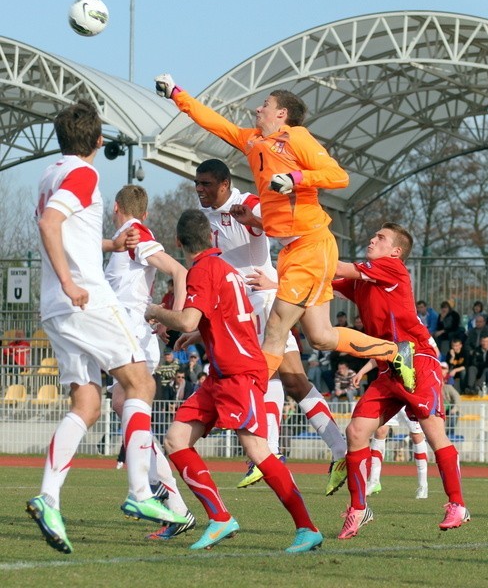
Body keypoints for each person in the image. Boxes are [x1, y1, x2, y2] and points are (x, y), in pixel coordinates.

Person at [154, 73, 416, 396]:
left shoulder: (296, 137)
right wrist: (177, 94)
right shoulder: (253, 141)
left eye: (265, 104)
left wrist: (295, 178)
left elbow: (339, 176)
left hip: (312, 246)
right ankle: (394, 351)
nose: (257, 109)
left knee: (276, 326)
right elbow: (215, 123)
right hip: (294, 249)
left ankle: (246, 393)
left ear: (281, 114)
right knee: (321, 336)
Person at [26, 100, 187, 555]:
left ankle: (49, 498)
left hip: (54, 309)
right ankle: (140, 491)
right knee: (139, 381)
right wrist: (70, 280)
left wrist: (112, 243)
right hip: (85, 298)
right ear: (99, 140)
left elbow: (63, 226)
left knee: (88, 401)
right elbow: (50, 223)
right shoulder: (86, 173)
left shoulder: (49, 173)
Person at [145, 208, 322, 553]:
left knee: (257, 450)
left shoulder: (202, 271)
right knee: (176, 440)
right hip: (221, 374)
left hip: (239, 374)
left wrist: (153, 310)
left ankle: (307, 527)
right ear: (211, 238)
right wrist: (199, 337)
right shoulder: (224, 269)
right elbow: (226, 316)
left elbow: (185, 319)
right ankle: (220, 518)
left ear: (178, 241)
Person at [192, 158, 347, 495]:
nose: (200, 190)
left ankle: (276, 451)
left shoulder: (246, 203)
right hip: (241, 306)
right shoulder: (205, 213)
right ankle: (335, 449)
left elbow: (292, 233)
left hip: (262, 302)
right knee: (288, 379)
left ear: (224, 184)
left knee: (274, 376)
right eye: (197, 184)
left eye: (206, 184)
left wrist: (274, 277)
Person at [332, 222, 470, 540]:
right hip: (388, 365)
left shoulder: (391, 267)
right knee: (356, 432)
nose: (372, 239)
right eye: (374, 235)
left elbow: (336, 266)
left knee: (433, 432)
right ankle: (358, 508)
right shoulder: (366, 280)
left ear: (395, 251)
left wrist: (311, 244)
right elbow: (328, 280)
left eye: (380, 238)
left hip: (416, 358)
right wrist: (275, 279)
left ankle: (458, 505)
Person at [103, 183, 194, 541]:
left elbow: (178, 270)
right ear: (144, 211)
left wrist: (173, 315)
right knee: (121, 403)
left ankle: (159, 494)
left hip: (135, 334)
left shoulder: (135, 234)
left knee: (126, 402)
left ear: (115, 207)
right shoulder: (125, 234)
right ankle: (167, 499)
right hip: (125, 333)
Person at [353, 359, 429, 499]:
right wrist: (362, 372)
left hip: (410, 392)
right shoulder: (388, 339)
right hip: (390, 391)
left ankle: (422, 485)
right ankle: (374, 481)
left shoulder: (417, 339)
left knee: (417, 435)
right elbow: (378, 356)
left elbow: (432, 354)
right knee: (380, 430)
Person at [440, 362, 462, 437]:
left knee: (454, 414)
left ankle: (450, 434)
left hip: (448, 407)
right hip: (439, 409)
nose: (441, 370)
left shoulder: (448, 386)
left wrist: (455, 408)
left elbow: (457, 397)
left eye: (443, 368)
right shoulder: (434, 388)